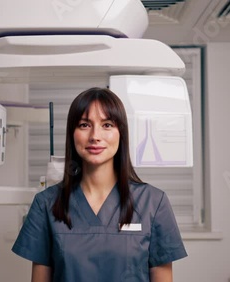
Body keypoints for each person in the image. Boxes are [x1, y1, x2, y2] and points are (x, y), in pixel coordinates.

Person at [12, 87, 187, 282]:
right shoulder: (46, 204)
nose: (95, 136)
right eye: (85, 125)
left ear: (121, 133)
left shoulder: (154, 202)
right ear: (72, 134)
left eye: (107, 125)